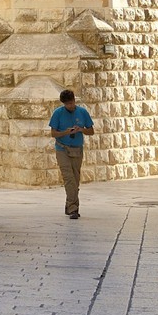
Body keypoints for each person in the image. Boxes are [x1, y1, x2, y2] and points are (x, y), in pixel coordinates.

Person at [49, 89, 95, 219]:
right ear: (63, 103)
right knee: (68, 178)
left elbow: (91, 131)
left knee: (75, 179)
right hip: (62, 149)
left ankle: (70, 205)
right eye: (67, 104)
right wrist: (65, 132)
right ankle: (73, 208)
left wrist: (81, 130)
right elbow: (53, 133)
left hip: (77, 149)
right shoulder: (58, 113)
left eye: (71, 103)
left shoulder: (82, 112)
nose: (70, 106)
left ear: (74, 100)